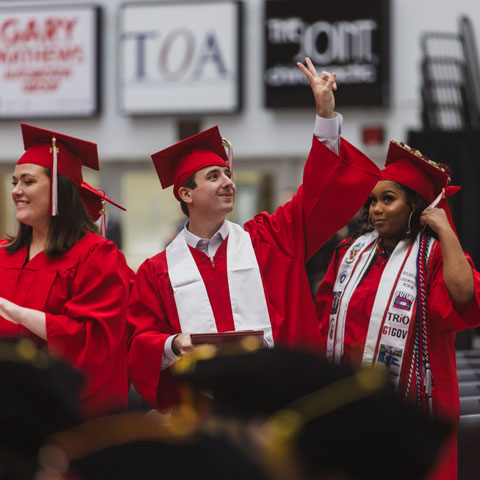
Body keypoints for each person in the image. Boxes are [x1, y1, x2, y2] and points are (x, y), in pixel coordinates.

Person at [127, 58, 381, 409]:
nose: (228, 182)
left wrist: (324, 116)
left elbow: (318, 195)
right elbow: (140, 340)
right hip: (205, 411)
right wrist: (173, 345)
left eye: (227, 174)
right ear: (185, 194)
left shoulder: (269, 239)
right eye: (214, 176)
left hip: (279, 403)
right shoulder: (157, 271)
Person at [315, 139, 480, 480]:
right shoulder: (349, 253)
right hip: (351, 404)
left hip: (415, 404)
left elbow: (465, 296)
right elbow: (323, 323)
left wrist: (445, 230)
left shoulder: (433, 258)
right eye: (373, 200)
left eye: (388, 199)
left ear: (414, 206)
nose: (376, 209)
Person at [0, 124, 133, 418]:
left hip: (61, 412)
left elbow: (94, 341)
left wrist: (19, 314)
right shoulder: (2, 255)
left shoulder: (96, 257)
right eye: (14, 182)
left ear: (58, 188)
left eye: (28, 181)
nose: (16, 191)